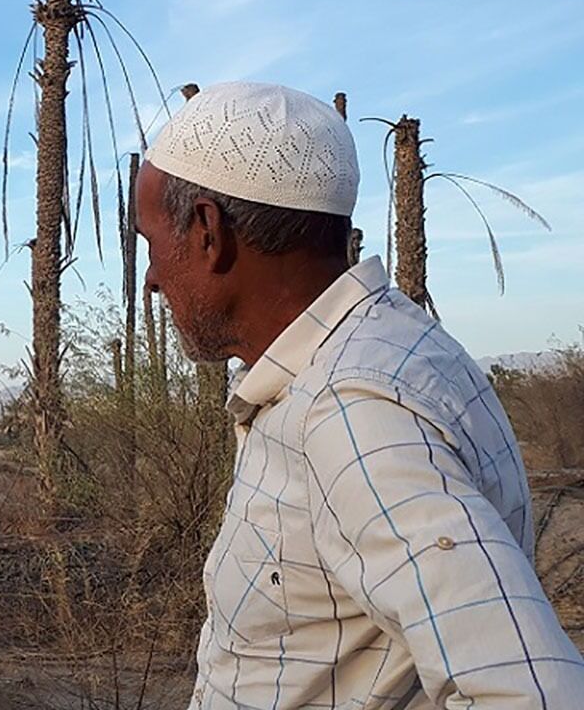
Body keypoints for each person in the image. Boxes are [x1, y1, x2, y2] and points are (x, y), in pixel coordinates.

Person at [135, 82, 584, 708]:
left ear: (209, 231)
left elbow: (533, 690)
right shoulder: (390, 351)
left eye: (151, 242)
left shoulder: (351, 407)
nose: (153, 278)